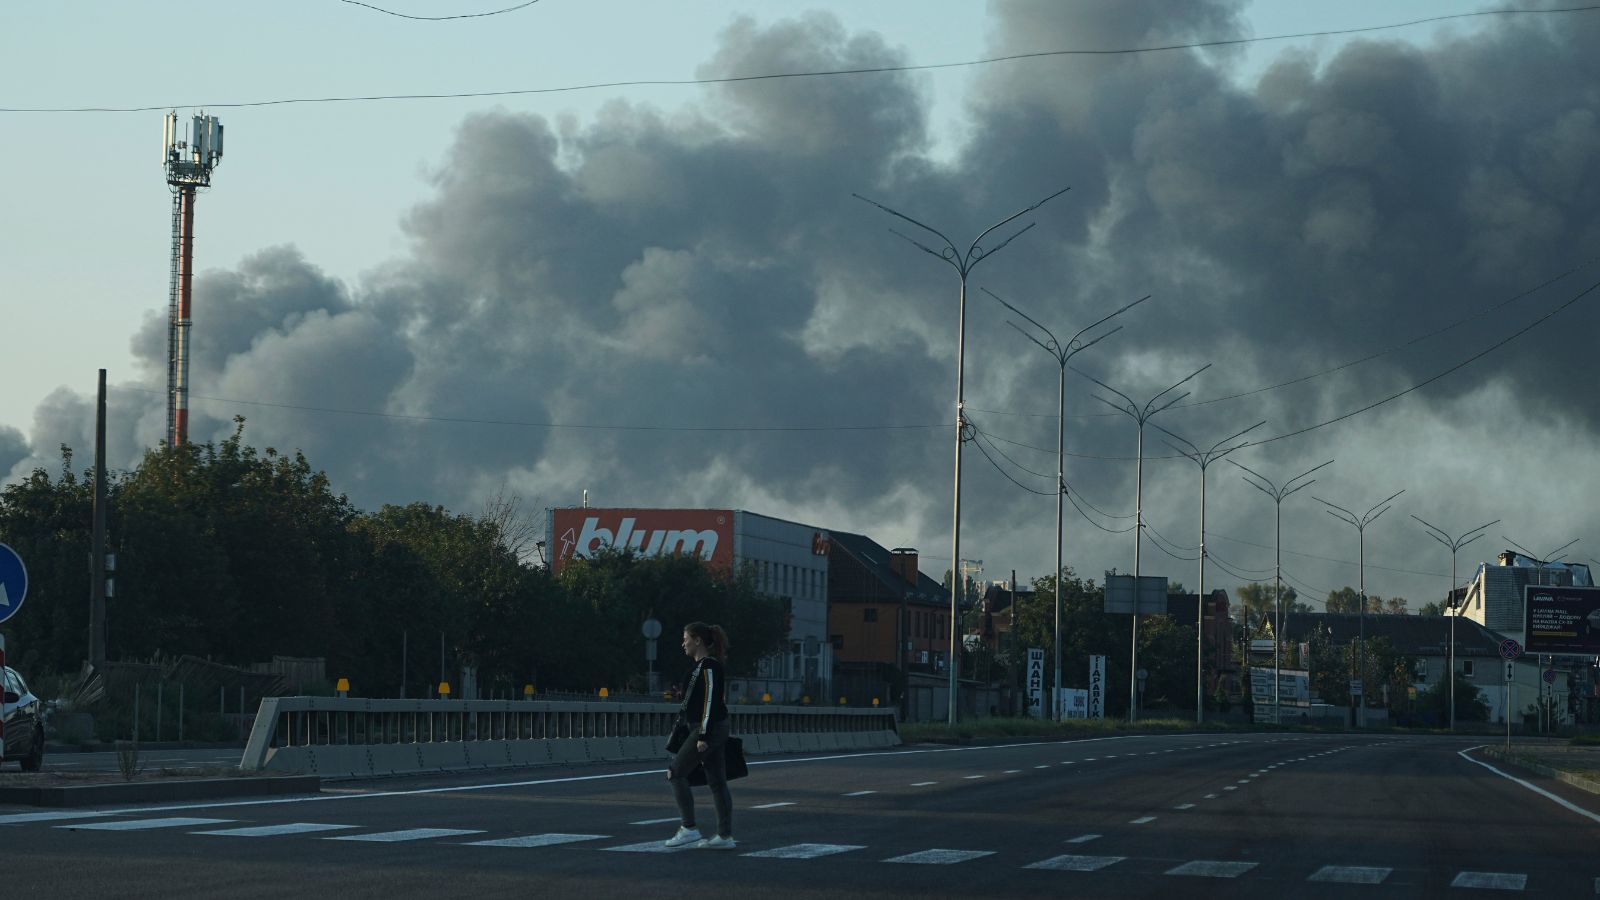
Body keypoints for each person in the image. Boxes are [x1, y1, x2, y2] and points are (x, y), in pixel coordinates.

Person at [663, 621, 735, 850]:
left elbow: (711, 701)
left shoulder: (710, 666)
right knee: (716, 780)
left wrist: (703, 734)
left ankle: (689, 829)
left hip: (709, 727)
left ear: (697, 640)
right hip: (707, 726)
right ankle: (724, 837)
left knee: (675, 772)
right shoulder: (699, 667)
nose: (682, 643)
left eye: (686, 638)